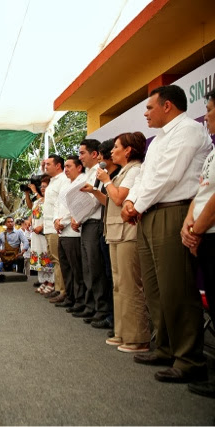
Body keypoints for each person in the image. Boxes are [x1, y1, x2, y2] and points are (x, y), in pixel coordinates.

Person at [121, 84, 211, 383]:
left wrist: (136, 204)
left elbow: (168, 175)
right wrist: (133, 201)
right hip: (150, 212)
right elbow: (146, 174)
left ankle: (189, 359)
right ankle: (165, 346)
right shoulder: (160, 139)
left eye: (149, 107)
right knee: (155, 286)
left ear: (168, 106)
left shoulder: (188, 131)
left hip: (173, 211)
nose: (145, 112)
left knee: (177, 288)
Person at [95, 132, 150, 352]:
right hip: (116, 232)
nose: (112, 151)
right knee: (118, 285)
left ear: (128, 150)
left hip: (128, 233)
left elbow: (119, 199)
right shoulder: (122, 173)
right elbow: (112, 200)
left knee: (130, 285)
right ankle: (122, 332)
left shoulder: (135, 170)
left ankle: (137, 337)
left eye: (116, 147)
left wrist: (106, 181)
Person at [181, 87, 215, 397]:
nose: (206, 115)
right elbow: (201, 191)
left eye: (211, 108)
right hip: (203, 232)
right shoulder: (213, 151)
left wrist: (198, 229)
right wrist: (190, 223)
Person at [74, 139, 111, 322]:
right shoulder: (87, 173)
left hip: (95, 222)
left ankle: (101, 308)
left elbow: (95, 200)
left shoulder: (99, 172)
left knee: (96, 268)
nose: (80, 157)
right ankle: (91, 305)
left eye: (82, 153)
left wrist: (77, 217)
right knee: (87, 268)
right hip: (85, 223)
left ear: (94, 154)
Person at [54, 156, 86, 311]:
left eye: (69, 166)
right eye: (65, 166)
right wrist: (55, 221)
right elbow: (58, 205)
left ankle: (80, 301)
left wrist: (63, 221)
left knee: (76, 269)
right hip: (62, 232)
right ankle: (70, 296)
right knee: (66, 267)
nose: (66, 169)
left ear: (79, 167)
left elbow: (78, 206)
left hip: (74, 232)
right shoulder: (65, 183)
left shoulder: (83, 180)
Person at [41, 155, 67, 297]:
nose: (46, 166)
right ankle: (58, 288)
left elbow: (62, 203)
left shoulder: (63, 180)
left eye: (48, 164)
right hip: (49, 227)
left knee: (58, 260)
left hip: (56, 226)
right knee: (54, 259)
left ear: (58, 166)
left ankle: (61, 290)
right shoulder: (52, 181)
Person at [28, 176, 55, 290]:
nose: (42, 188)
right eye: (41, 186)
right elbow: (33, 212)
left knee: (47, 254)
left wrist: (42, 226)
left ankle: (52, 282)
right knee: (39, 254)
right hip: (36, 232)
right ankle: (43, 280)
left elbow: (53, 215)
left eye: (45, 186)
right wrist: (29, 221)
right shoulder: (38, 200)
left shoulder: (52, 200)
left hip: (46, 230)